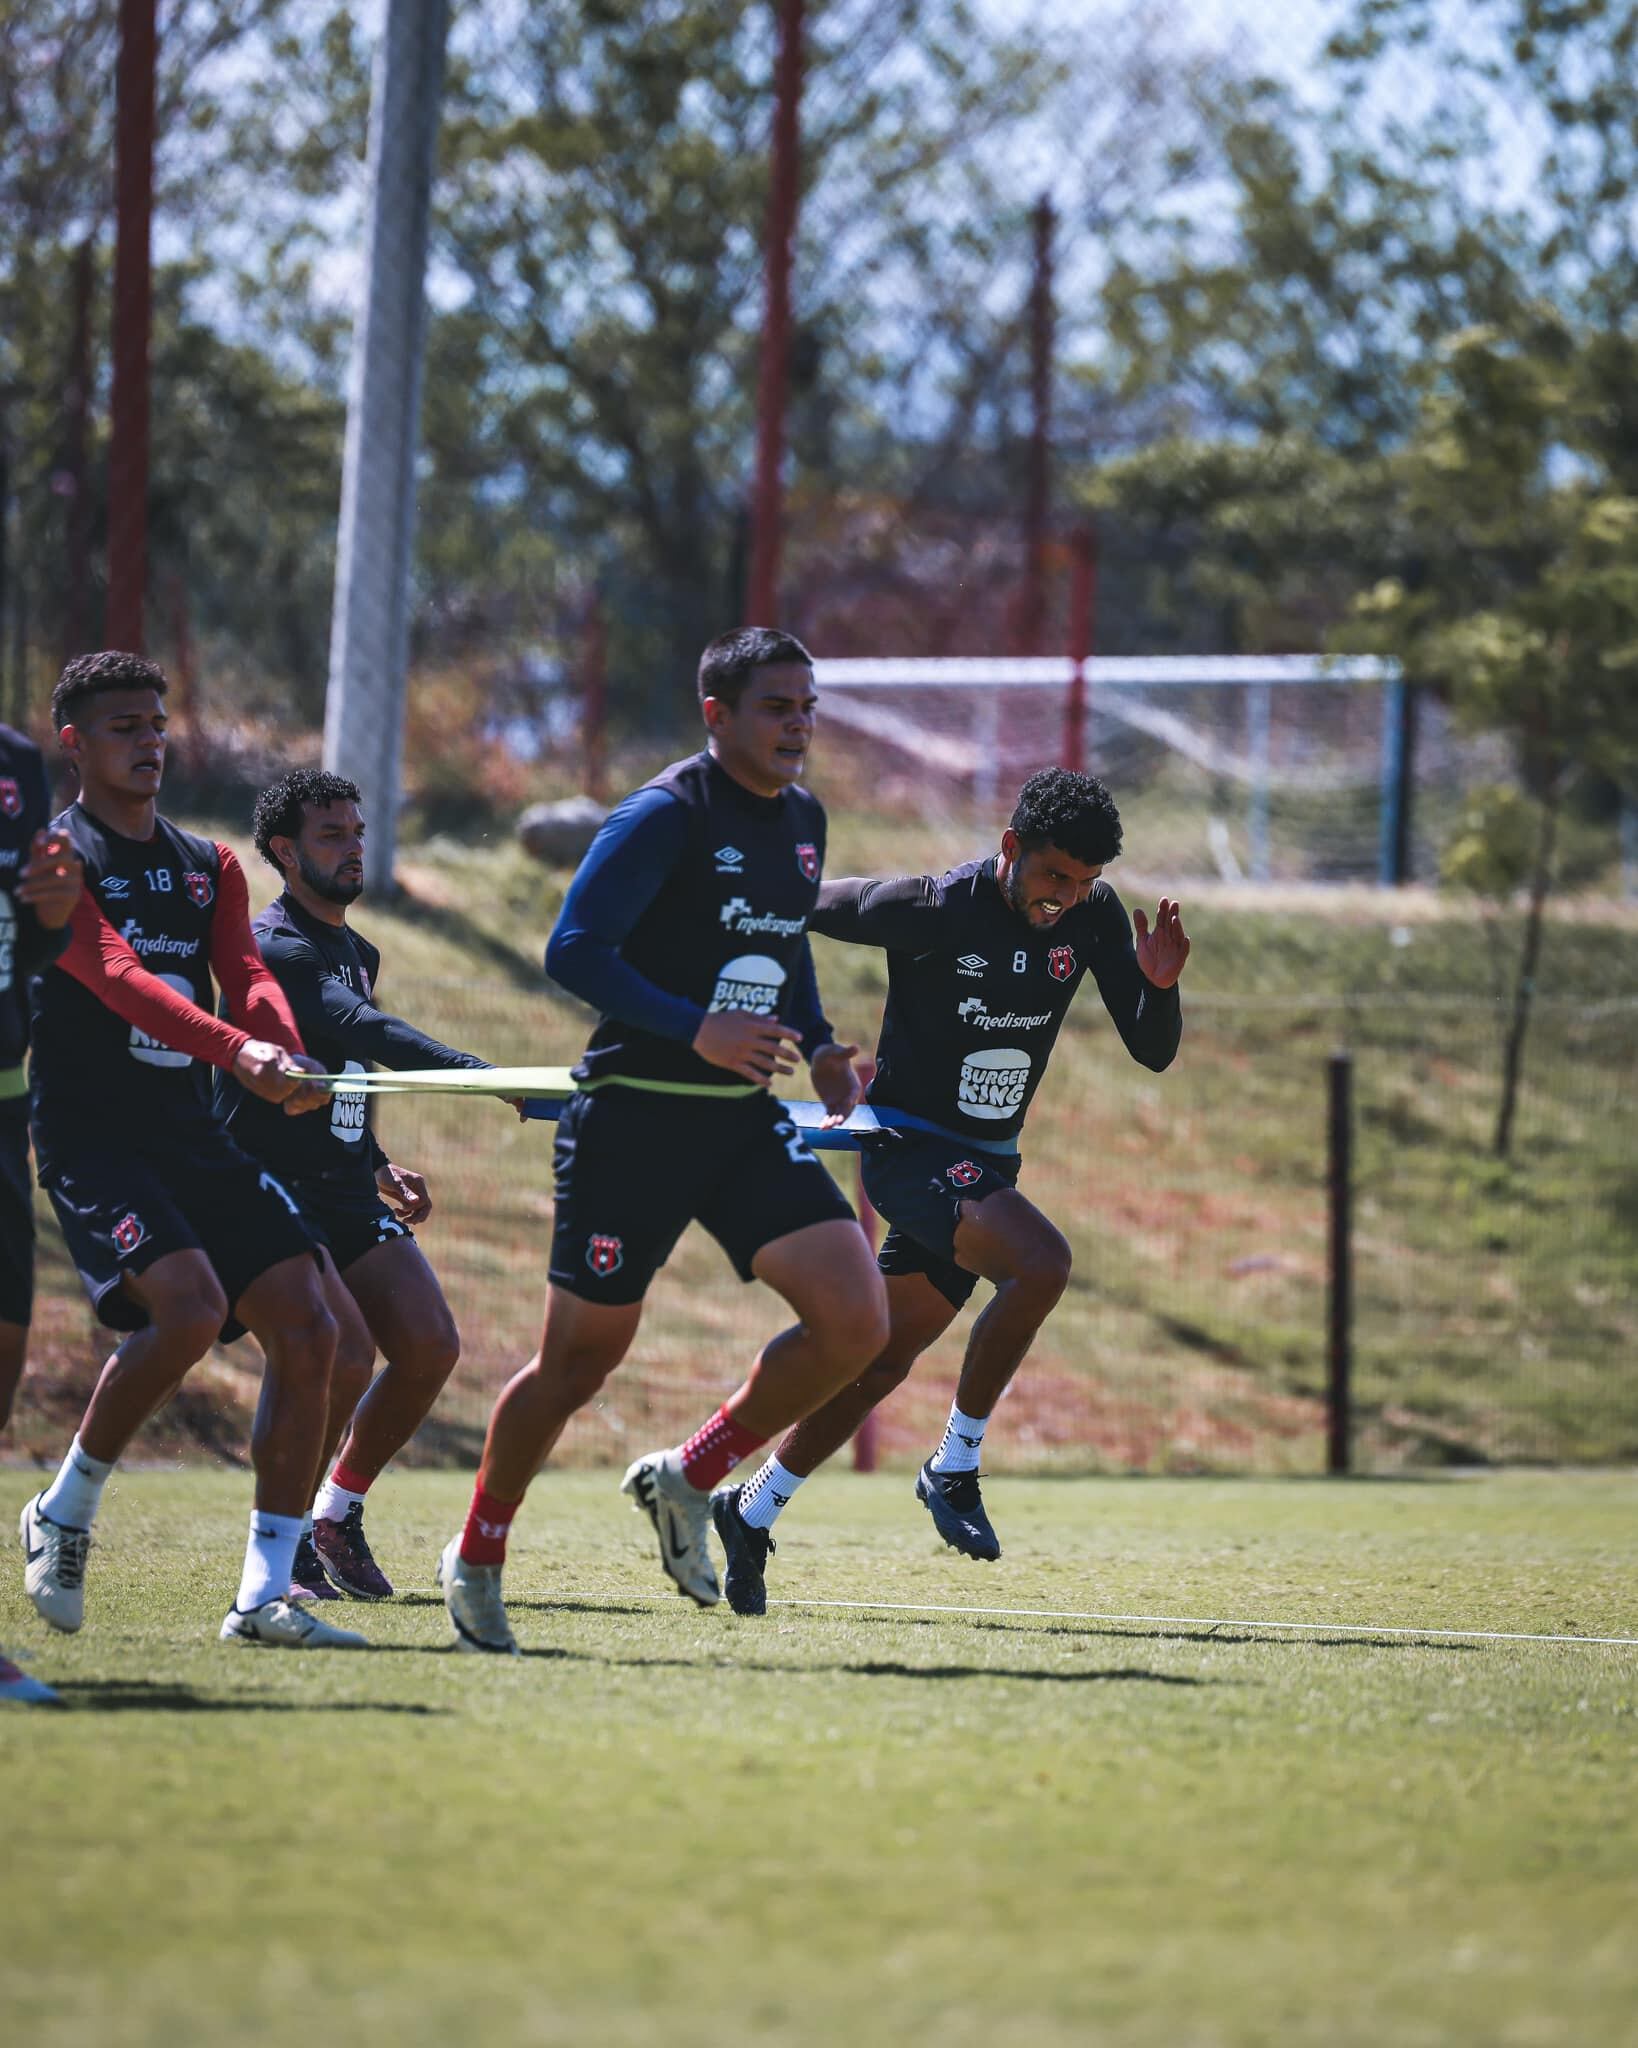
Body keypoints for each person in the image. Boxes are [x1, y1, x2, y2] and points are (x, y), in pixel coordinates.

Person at [438, 627, 888, 1653]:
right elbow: (572, 949)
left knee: (856, 1319)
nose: (799, 725)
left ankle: (689, 1477)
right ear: (716, 714)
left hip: (739, 1119)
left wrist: (818, 1047)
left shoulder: (805, 818)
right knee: (578, 1362)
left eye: (808, 706)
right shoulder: (659, 814)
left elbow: (783, 947)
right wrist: (695, 1026)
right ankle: (478, 1551)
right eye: (779, 707)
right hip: (632, 1117)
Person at [710, 767, 1191, 1614]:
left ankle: (751, 1509)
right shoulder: (933, 907)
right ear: (1011, 848)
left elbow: (1151, 1052)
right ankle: (955, 1465)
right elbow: (806, 907)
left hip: (985, 1166)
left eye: (1084, 884)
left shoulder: (1096, 917)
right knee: (1040, 1264)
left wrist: (1159, 988)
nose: (1064, 900)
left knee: (880, 1359)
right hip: (906, 1152)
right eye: (1051, 877)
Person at [19, 651, 367, 1651]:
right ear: (75, 743)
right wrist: (238, 1047)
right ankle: (64, 1508)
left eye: (158, 721)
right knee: (190, 1304)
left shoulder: (209, 862)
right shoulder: (56, 862)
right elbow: (121, 976)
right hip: (94, 1138)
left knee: (314, 1329)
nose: (151, 739)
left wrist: (282, 1043)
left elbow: (246, 972)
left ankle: (265, 1593)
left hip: (189, 1135)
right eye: (125, 725)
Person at [218, 768, 494, 1601]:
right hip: (267, 1186)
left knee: (430, 1345)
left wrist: (375, 1162)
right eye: (330, 836)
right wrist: (484, 1075)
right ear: (285, 853)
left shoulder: (353, 948)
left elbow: (341, 1071)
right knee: (340, 1349)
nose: (351, 849)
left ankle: (335, 1516)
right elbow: (359, 1031)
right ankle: (285, 1539)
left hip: (340, 1186)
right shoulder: (277, 946)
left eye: (356, 832)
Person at [1, 718, 82, 1705]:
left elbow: (41, 928)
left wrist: (57, 908)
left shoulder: (16, 762)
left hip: (2, 1101)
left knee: (6, 1348)